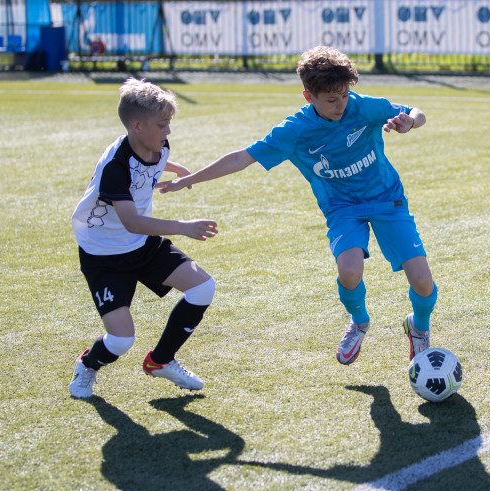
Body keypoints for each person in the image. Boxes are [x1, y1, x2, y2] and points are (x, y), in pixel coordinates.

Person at [160, 46, 437, 366]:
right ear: (309, 97)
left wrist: (409, 122)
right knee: (349, 271)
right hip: (342, 208)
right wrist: (189, 179)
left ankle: (418, 328)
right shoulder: (295, 131)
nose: (340, 105)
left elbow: (418, 112)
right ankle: (359, 321)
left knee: (422, 280)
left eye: (344, 95)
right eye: (331, 100)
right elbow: (241, 158)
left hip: (387, 199)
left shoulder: (364, 107)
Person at [69, 77, 219, 399]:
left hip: (141, 246)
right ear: (137, 126)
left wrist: (177, 171)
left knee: (203, 287)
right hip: (103, 255)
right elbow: (133, 222)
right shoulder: (115, 167)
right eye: (162, 125)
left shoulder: (158, 145)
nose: (168, 132)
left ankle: (161, 360)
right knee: (122, 341)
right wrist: (183, 226)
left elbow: (155, 162)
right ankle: (88, 363)